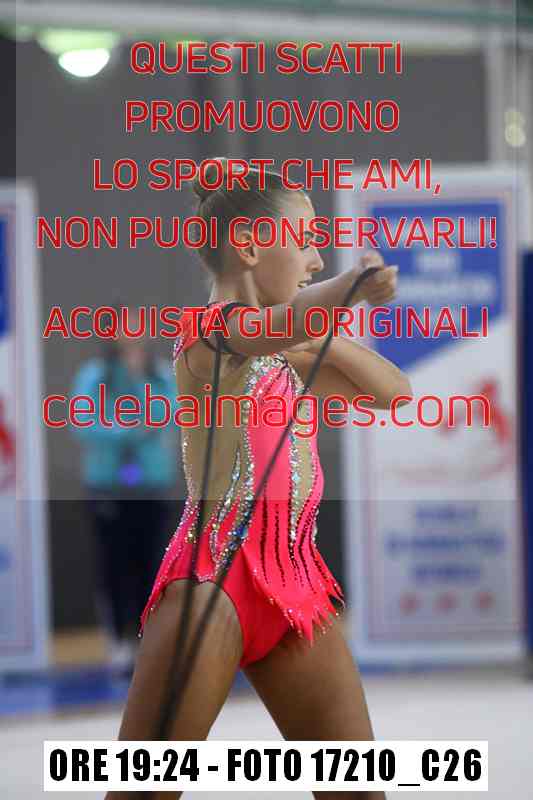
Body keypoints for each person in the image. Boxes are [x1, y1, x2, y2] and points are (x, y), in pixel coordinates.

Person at [105, 160, 411, 800]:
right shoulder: (206, 337)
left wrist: (313, 338)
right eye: (305, 241)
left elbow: (394, 393)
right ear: (247, 246)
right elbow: (273, 326)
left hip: (296, 585)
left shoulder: (284, 356)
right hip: (213, 584)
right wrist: (347, 288)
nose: (316, 258)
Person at [71, 306, 183, 669]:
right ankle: (118, 641)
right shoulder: (95, 375)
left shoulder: (160, 374)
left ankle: (147, 639)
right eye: (125, 326)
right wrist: (126, 430)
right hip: (109, 488)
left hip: (151, 487)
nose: (133, 332)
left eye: (138, 325)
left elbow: (172, 412)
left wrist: (144, 419)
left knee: (151, 566)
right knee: (113, 565)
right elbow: (82, 421)